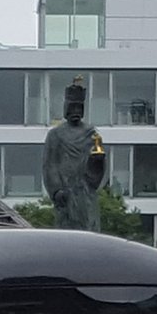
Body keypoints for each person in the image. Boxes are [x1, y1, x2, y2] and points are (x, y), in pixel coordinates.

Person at [42, 76, 106, 232]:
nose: (76, 111)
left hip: (85, 192)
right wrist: (56, 190)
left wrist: (97, 162)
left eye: (79, 107)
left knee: (89, 227)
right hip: (65, 192)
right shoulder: (55, 135)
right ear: (65, 108)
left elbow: (97, 168)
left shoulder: (91, 133)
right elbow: (49, 165)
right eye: (72, 107)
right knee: (66, 230)